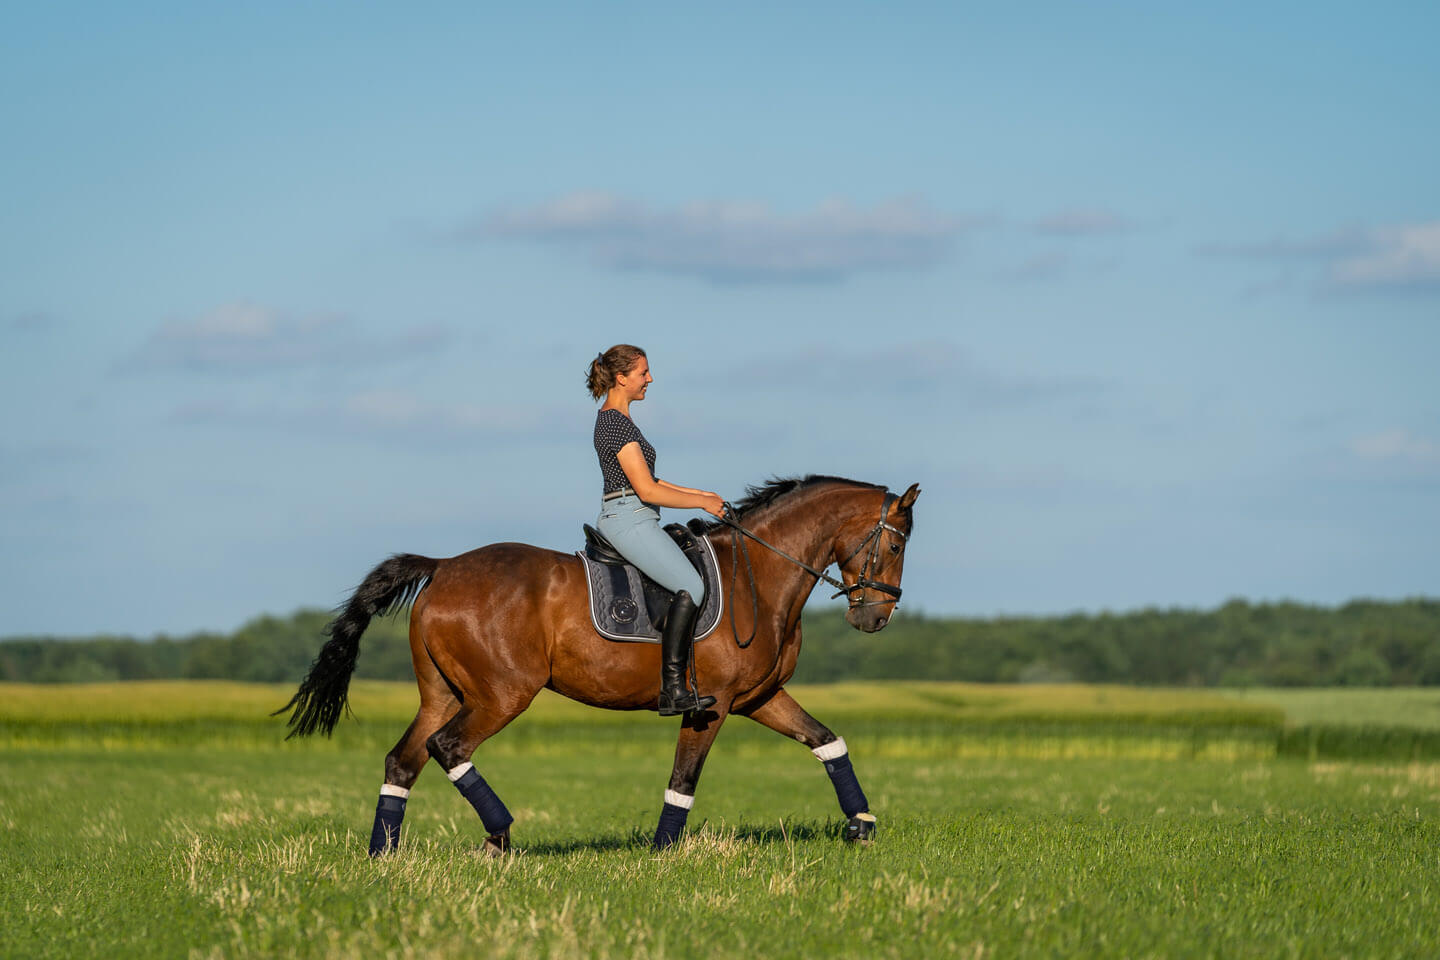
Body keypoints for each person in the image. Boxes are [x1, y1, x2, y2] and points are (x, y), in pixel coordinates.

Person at [587, 344, 724, 716]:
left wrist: (701, 493)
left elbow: (650, 480)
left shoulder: (621, 421)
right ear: (621, 378)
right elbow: (646, 490)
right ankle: (674, 688)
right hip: (628, 517)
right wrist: (700, 503)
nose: (650, 379)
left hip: (637, 514)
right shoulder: (614, 423)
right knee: (692, 586)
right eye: (643, 373)